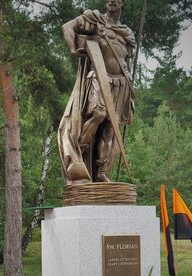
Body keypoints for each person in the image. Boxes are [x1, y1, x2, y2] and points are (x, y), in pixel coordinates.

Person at [58, 0, 135, 184]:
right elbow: (67, 27)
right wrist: (73, 49)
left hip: (121, 83)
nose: (111, 1)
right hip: (99, 78)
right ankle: (81, 150)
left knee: (110, 130)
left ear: (123, 3)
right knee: (98, 114)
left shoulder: (126, 32)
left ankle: (101, 171)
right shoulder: (95, 20)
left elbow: (127, 60)